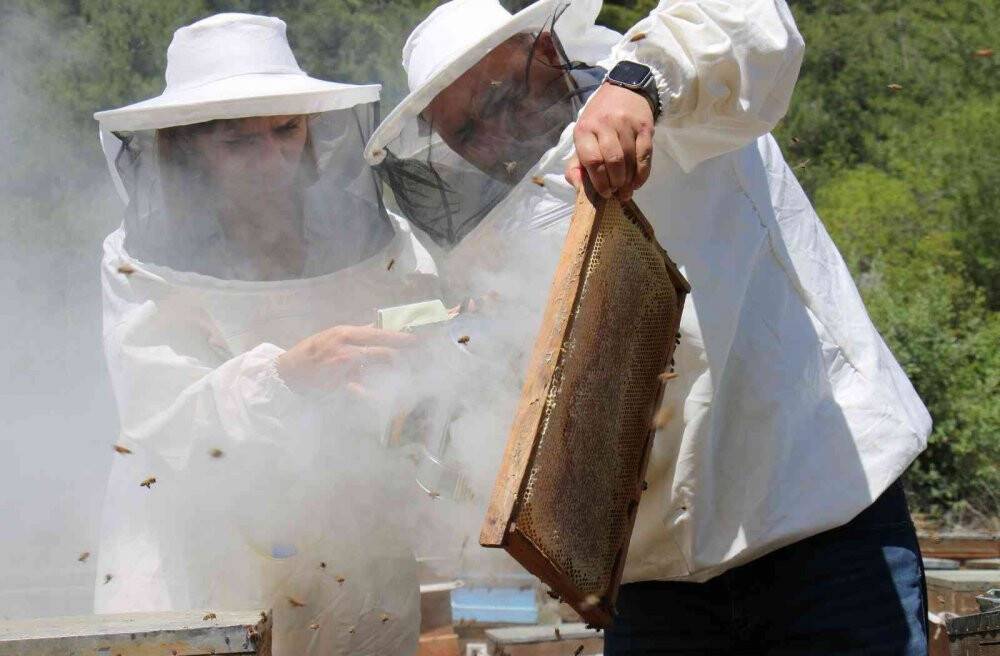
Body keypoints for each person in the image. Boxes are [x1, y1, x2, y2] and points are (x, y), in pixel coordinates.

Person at [364, 0, 932, 653]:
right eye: (464, 131)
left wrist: (639, 85)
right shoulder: (493, 239)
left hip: (818, 526)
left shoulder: (674, 99)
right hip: (653, 586)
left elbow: (751, 22)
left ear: (544, 53)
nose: (488, 139)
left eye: (494, 101)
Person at [92, 13, 438, 655]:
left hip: (350, 557)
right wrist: (285, 377)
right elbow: (163, 421)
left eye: (286, 130)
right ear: (188, 145)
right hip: (201, 559)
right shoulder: (137, 264)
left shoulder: (382, 243)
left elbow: (429, 354)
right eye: (237, 141)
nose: (272, 156)